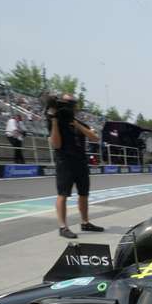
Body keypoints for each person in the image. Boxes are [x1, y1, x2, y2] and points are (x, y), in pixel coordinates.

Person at [47, 93, 104, 239]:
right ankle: (63, 227)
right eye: (67, 103)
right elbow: (56, 144)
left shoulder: (78, 122)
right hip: (64, 161)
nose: (70, 106)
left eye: (72, 103)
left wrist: (77, 124)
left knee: (84, 194)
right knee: (63, 194)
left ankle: (85, 222)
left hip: (80, 161)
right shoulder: (55, 121)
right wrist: (54, 120)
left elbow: (95, 138)